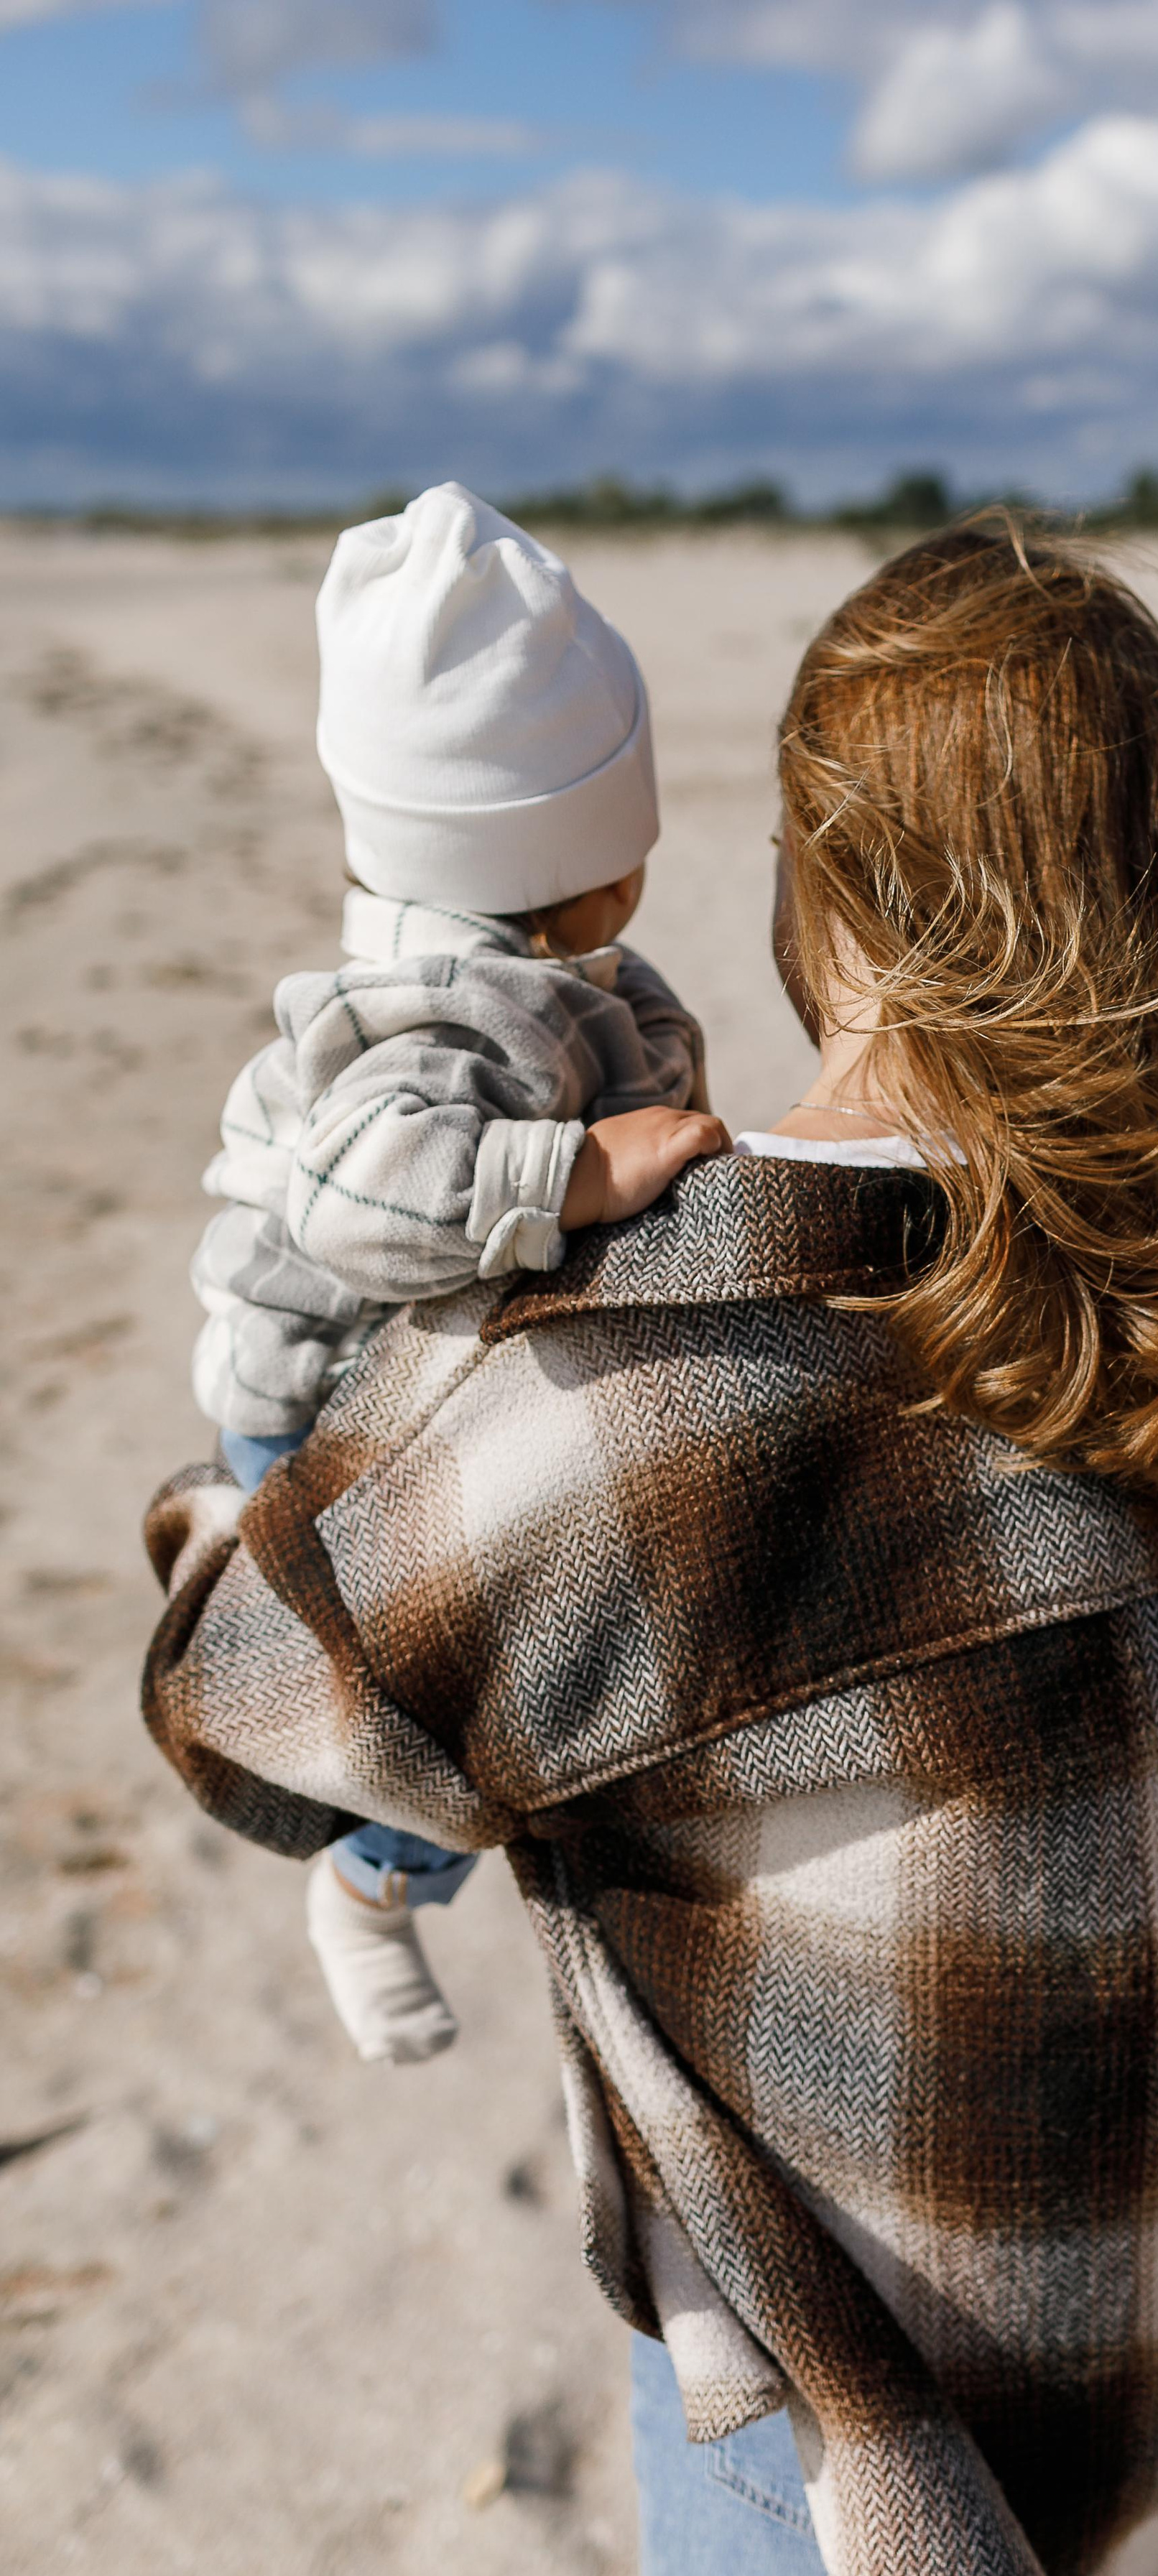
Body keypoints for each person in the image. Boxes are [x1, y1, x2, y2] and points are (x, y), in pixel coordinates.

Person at [144, 522, 1158, 2576]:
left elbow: (253, 1723)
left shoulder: (657, 1377)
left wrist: (269, 1452)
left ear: (827, 901)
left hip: (866, 2407)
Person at [187, 481, 724, 2065]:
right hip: (323, 1414)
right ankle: (367, 1881)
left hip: (409, 1394)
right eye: (623, 849)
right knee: (441, 1735)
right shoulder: (441, 1013)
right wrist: (574, 1176)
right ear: (576, 860)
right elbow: (361, 1190)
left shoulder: (554, 973)